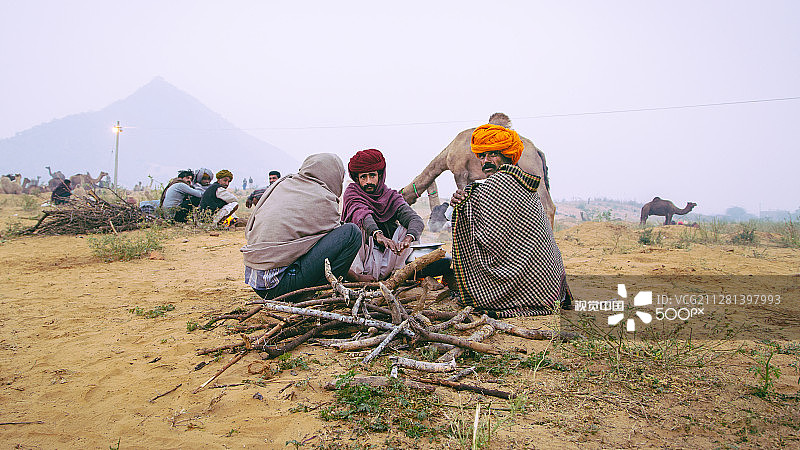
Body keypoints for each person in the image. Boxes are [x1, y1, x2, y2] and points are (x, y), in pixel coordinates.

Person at [449, 124, 571, 318]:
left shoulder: (497, 183)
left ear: (507, 155)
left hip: (533, 289)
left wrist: (463, 205)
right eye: (482, 156)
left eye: (493, 154)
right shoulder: (522, 182)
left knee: (481, 294)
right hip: (552, 286)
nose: (486, 161)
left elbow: (490, 238)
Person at [241, 154, 361, 299]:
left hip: (259, 285)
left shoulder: (284, 186)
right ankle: (324, 290)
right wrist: (356, 278)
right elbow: (334, 245)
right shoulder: (322, 197)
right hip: (281, 286)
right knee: (351, 233)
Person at [341, 149, 426, 282]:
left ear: (380, 175)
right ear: (357, 178)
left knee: (409, 229)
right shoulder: (352, 193)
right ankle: (357, 278)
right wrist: (377, 234)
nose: (368, 181)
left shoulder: (391, 196)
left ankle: (399, 275)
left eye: (372, 176)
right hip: (362, 259)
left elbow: (415, 219)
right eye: (363, 177)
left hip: (388, 257)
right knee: (355, 228)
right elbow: (362, 213)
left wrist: (407, 239)